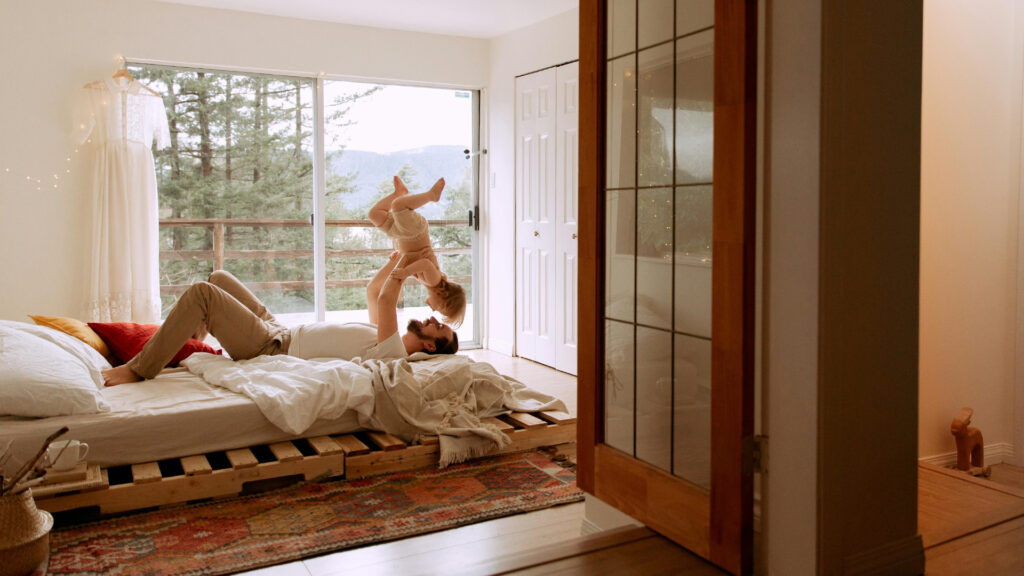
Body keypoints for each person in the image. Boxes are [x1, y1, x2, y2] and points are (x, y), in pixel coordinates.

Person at [101, 257, 458, 385]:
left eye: (437, 327)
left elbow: (386, 298)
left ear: (429, 346)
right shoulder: (381, 336)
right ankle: (194, 348)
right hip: (279, 328)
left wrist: (412, 269)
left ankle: (140, 369)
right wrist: (395, 260)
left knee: (202, 294)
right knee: (219, 278)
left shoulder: (393, 353)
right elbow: (373, 291)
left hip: (270, 348)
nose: (430, 318)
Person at [369, 175, 466, 327]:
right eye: (439, 308)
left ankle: (399, 192)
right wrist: (405, 272)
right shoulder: (434, 281)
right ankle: (431, 196)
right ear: (444, 295)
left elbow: (415, 258)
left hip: (403, 237)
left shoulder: (429, 283)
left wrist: (400, 255)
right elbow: (425, 264)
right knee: (398, 206)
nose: (434, 310)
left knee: (375, 214)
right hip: (415, 233)